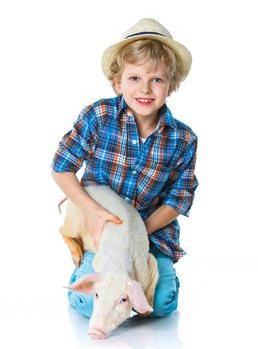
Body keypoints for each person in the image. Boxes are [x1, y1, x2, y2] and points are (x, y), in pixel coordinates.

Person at [51, 18, 198, 318]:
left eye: (156, 79)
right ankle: (88, 275)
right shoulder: (100, 116)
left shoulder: (183, 138)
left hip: (151, 232)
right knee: (89, 303)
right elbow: (61, 167)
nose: (145, 88)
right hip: (102, 233)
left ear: (171, 85)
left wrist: (137, 234)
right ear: (118, 82)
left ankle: (152, 281)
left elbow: (178, 199)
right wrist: (92, 212)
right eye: (134, 78)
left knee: (161, 305)